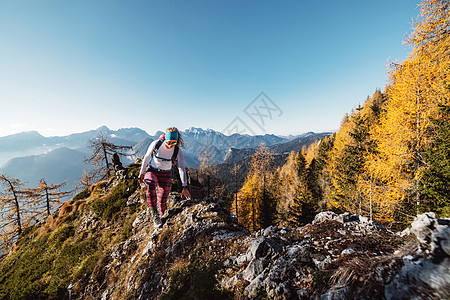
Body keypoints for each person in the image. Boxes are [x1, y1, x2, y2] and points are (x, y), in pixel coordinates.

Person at [139, 127, 191, 224]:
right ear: (165, 139)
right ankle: (154, 214)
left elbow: (181, 168)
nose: (170, 145)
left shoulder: (177, 151)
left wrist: (184, 186)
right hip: (152, 171)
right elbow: (147, 157)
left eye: (173, 143)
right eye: (168, 142)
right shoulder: (156, 144)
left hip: (166, 174)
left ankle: (163, 216)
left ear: (177, 142)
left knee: (163, 200)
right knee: (150, 184)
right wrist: (141, 173)